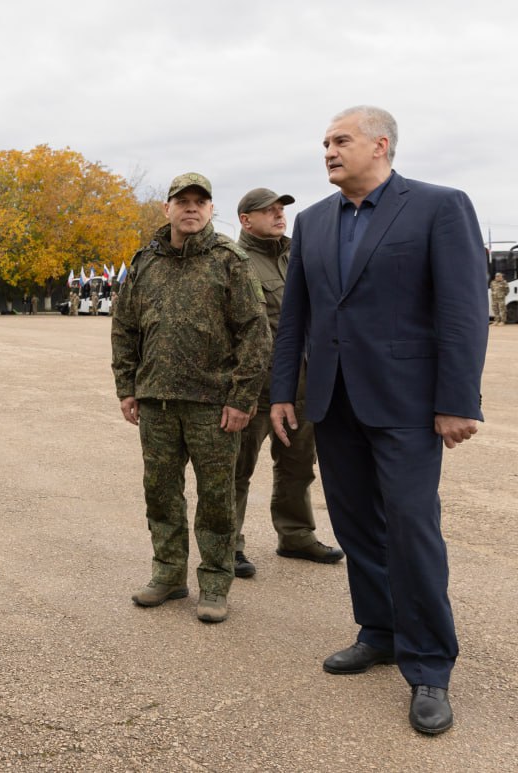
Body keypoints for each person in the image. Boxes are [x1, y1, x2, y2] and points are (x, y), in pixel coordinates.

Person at [270, 106, 488, 735]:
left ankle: (428, 667)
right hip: (334, 403)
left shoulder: (438, 207)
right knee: (356, 524)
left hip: (407, 405)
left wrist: (457, 400)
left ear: (380, 145)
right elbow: (296, 319)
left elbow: (464, 310)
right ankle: (380, 631)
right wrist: (284, 390)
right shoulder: (312, 222)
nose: (328, 152)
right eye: (324, 143)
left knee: (412, 529)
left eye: (340, 141)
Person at [111, 172, 270, 623]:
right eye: (183, 201)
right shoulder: (145, 261)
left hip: (212, 406)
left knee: (216, 498)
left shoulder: (229, 261)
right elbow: (124, 327)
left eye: (201, 201)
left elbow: (255, 333)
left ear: (211, 209)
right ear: (167, 209)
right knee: (160, 493)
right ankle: (168, 574)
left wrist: (242, 398)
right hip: (157, 401)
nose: (192, 208)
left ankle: (216, 583)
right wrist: (127, 386)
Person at [231, 187, 344, 578]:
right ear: (246, 219)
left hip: (301, 384)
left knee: (298, 465)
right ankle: (227, 546)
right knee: (235, 470)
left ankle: (296, 534)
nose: (280, 215)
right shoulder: (234, 262)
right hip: (254, 386)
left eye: (281, 210)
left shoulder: (299, 255)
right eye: (269, 211)